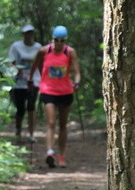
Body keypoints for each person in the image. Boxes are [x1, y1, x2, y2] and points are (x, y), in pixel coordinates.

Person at [30, 25, 81, 168]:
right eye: (56, 40)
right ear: (52, 39)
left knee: (62, 124)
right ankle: (50, 152)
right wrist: (31, 79)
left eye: (62, 41)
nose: (58, 43)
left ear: (65, 41)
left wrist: (77, 83)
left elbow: (77, 71)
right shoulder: (44, 51)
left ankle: (62, 156)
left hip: (65, 91)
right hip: (48, 90)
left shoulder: (70, 52)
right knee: (51, 122)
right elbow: (35, 66)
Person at [7, 24, 42, 143]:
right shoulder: (16, 46)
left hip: (34, 81)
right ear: (23, 34)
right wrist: (16, 69)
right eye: (27, 33)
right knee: (20, 109)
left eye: (31, 32)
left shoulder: (38, 47)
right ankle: (18, 131)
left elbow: (42, 63)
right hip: (19, 82)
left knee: (31, 107)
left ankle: (31, 134)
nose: (29, 35)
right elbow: (10, 62)